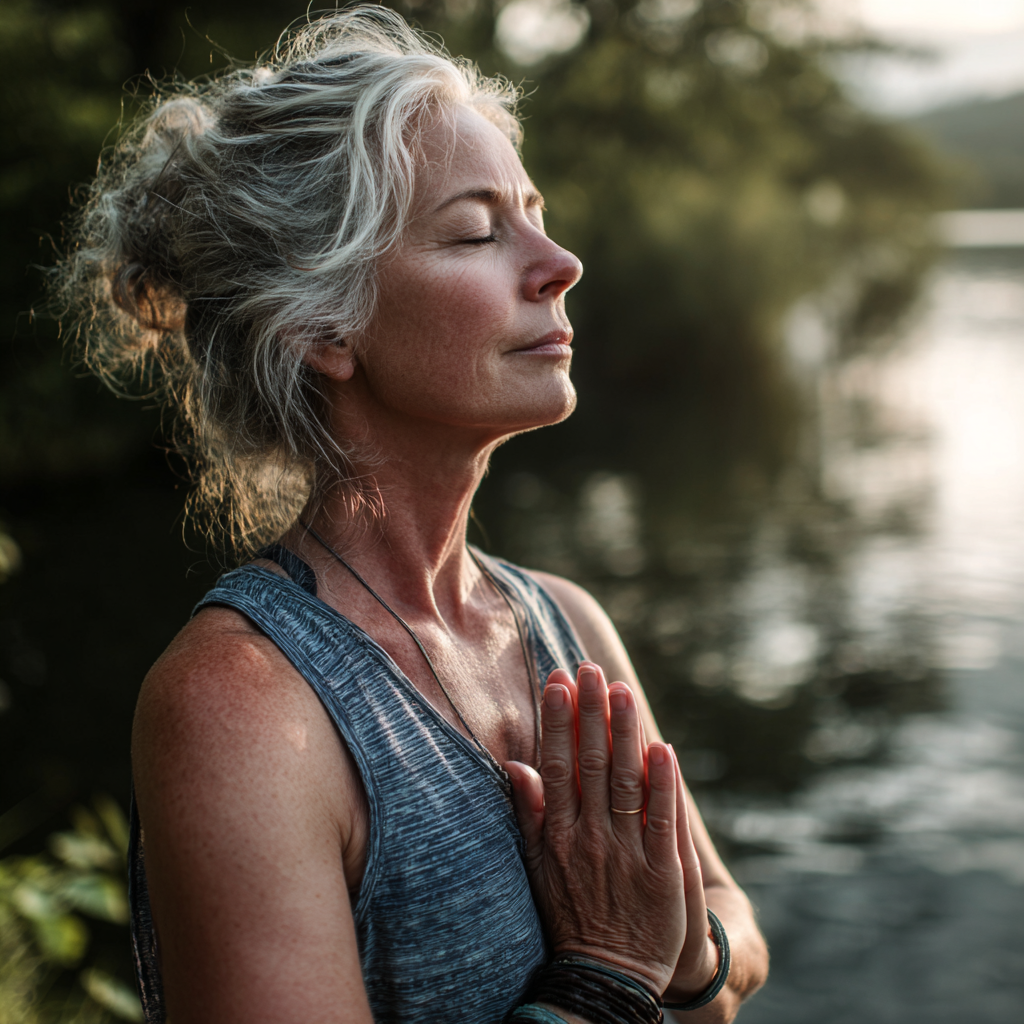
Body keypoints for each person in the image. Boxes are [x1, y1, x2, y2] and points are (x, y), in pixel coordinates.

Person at [57, 7, 767, 1022]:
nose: (557, 259)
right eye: (478, 231)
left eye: (533, 210)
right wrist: (607, 980)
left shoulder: (567, 625)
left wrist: (687, 958)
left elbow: (730, 931)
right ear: (325, 325)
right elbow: (635, 970)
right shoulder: (241, 706)